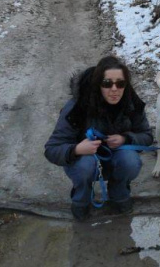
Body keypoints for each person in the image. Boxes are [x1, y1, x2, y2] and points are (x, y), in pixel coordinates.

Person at [44, 55, 153, 221]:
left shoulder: (132, 103)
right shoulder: (77, 107)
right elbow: (51, 149)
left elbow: (146, 136)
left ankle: (119, 194)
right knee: (86, 164)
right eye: (107, 83)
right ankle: (82, 200)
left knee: (131, 160)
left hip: (116, 159)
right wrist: (77, 149)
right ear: (98, 84)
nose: (114, 89)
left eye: (120, 83)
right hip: (84, 163)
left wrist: (125, 139)